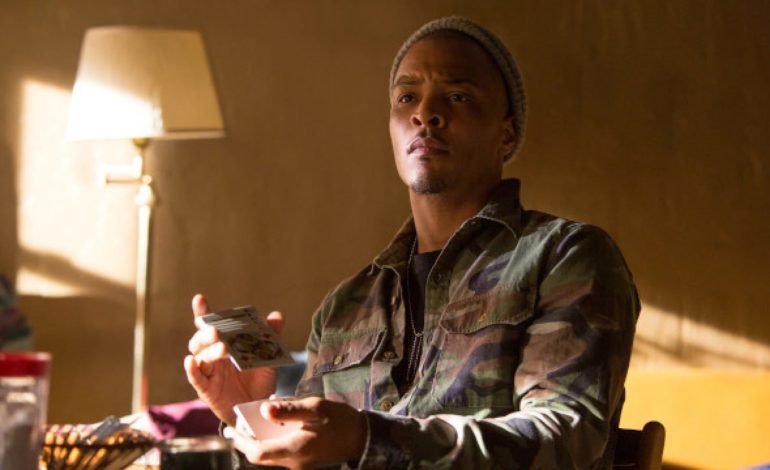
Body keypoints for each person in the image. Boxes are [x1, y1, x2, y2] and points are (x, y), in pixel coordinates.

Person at [185, 16, 639, 469]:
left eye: (458, 96)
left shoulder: (566, 258)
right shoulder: (345, 306)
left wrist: (367, 439)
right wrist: (251, 416)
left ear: (506, 134)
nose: (425, 113)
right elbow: (311, 457)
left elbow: (564, 439)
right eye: (407, 97)